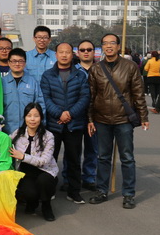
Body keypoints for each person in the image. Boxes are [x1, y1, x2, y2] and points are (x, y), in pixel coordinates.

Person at [87, 33, 149, 210]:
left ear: (118, 46)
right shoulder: (96, 69)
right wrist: (90, 119)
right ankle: (101, 190)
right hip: (101, 119)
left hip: (123, 119)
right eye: (105, 43)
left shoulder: (130, 67)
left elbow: (138, 93)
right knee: (103, 157)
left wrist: (143, 116)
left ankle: (128, 194)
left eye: (112, 43)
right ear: (102, 47)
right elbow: (91, 96)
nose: (109, 46)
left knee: (127, 158)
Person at [40, 42, 90, 204]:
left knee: (74, 159)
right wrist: (59, 114)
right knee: (50, 159)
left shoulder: (80, 75)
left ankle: (74, 192)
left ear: (72, 54)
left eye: (67, 52)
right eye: (61, 52)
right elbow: (45, 98)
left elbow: (84, 97)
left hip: (74, 124)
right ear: (56, 55)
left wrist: (70, 114)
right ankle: (49, 190)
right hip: (54, 125)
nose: (64, 55)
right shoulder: (48, 75)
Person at [10, 103, 58, 222]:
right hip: (27, 173)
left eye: (36, 116)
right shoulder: (18, 133)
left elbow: (44, 161)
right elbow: (3, 142)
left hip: (45, 171)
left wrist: (23, 156)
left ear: (41, 118)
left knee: (44, 181)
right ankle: (33, 202)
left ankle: (46, 206)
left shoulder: (48, 136)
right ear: (24, 117)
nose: (32, 119)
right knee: (29, 193)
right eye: (29, 115)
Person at [1, 48, 45, 135]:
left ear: (25, 63)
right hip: (7, 130)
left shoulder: (32, 82)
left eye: (20, 61)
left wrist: (41, 127)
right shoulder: (2, 82)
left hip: (29, 130)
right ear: (9, 63)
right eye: (14, 61)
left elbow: (40, 105)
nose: (17, 64)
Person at [75, 39, 98, 192]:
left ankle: (89, 177)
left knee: (92, 149)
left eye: (89, 49)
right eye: (82, 50)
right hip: (76, 114)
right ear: (78, 53)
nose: (86, 52)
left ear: (94, 52)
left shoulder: (101, 70)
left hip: (95, 115)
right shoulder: (72, 70)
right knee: (73, 150)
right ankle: (71, 178)